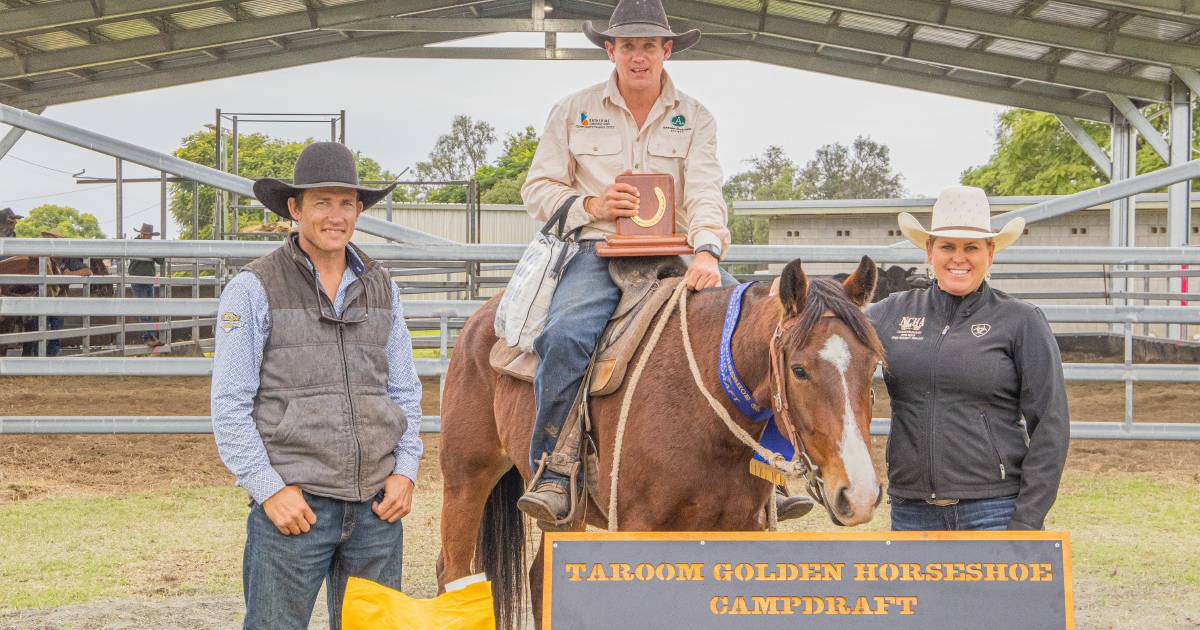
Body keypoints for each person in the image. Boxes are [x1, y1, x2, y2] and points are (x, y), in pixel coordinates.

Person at [515, 0, 810, 525]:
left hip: (677, 254)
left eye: (648, 45)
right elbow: (537, 187)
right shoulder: (573, 110)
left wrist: (706, 251)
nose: (638, 56)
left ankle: (774, 466)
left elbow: (703, 192)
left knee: (767, 328)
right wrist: (592, 206)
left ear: (666, 50)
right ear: (611, 50)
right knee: (564, 336)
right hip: (597, 251)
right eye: (628, 45)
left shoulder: (694, 117)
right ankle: (556, 467)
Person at [210, 142, 422, 630]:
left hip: (376, 507)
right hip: (296, 504)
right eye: (322, 202)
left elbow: (405, 390)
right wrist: (269, 490)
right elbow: (229, 404)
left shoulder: (383, 286)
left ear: (359, 209)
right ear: (294, 208)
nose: (336, 216)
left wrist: (405, 470)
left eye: (347, 203)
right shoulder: (253, 287)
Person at [868, 186, 1070, 531]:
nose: (958, 258)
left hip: (993, 510)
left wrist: (1027, 518)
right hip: (911, 510)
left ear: (990, 254)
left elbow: (1051, 424)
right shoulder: (891, 313)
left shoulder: (1021, 320)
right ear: (929, 251)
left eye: (971, 248)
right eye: (947, 246)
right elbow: (828, 336)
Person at [21, 230, 92, 357]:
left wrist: (69, 275)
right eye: (48, 238)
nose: (49, 241)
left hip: (56, 298)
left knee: (54, 333)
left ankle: (49, 360)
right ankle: (38, 361)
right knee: (37, 332)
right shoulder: (37, 256)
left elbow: (87, 271)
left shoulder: (66, 258)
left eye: (52, 238)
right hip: (38, 297)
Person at [128, 223, 165, 348]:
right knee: (144, 309)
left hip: (147, 281)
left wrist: (152, 250)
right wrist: (152, 250)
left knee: (148, 310)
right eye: (147, 235)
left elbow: (161, 260)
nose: (148, 238)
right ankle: (148, 337)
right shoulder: (134, 244)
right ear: (142, 234)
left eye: (149, 236)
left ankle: (151, 336)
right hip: (139, 281)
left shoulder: (147, 245)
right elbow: (160, 259)